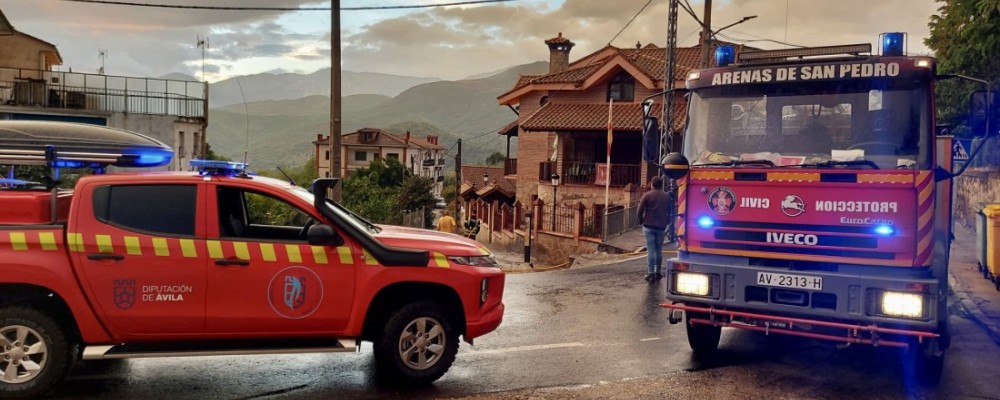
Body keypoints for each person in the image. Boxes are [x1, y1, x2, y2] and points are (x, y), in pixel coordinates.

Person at [637, 176, 672, 282]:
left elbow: (640, 210)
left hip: (648, 226)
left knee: (651, 250)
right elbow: (670, 212)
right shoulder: (666, 196)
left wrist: (641, 220)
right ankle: (658, 272)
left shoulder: (647, 195)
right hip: (661, 227)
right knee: (658, 250)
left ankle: (651, 273)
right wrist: (666, 222)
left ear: (652, 184)